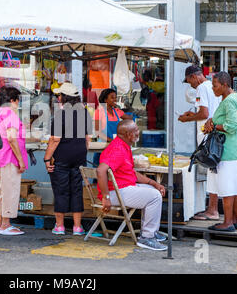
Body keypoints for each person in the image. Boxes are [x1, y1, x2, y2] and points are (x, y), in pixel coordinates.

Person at [97, 120, 167, 251]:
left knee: (153, 191)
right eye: (135, 130)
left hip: (122, 188)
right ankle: (146, 237)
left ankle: (151, 232)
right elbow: (100, 170)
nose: (138, 132)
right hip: (114, 193)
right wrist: (106, 197)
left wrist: (154, 183)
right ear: (128, 134)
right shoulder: (118, 149)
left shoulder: (123, 145)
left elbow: (131, 173)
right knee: (154, 196)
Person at [203, 71, 237, 232]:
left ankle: (227, 222)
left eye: (215, 86)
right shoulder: (236, 97)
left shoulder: (229, 101)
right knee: (235, 188)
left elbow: (231, 125)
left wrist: (213, 126)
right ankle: (234, 220)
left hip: (228, 151)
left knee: (228, 188)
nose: (213, 89)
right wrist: (212, 121)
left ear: (224, 85)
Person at [44, 82, 93, 235]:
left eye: (59, 95)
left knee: (61, 189)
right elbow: (88, 139)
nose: (58, 98)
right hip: (79, 157)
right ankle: (77, 227)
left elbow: (55, 140)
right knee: (77, 190)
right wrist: (80, 152)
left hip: (62, 157)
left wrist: (47, 158)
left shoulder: (60, 115)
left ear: (64, 98)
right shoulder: (85, 113)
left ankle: (60, 226)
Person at [178, 65, 221, 221]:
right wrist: (193, 114)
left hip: (207, 136)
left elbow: (204, 113)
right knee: (212, 171)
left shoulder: (202, 88)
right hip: (213, 134)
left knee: (212, 171)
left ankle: (212, 210)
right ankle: (210, 209)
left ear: (193, 77)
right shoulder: (211, 86)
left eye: (189, 81)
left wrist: (187, 118)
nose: (190, 85)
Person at [0, 86, 28, 235]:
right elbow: (12, 138)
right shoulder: (11, 114)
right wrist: (20, 160)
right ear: (13, 100)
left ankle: (1, 222)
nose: (18, 104)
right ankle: (6, 224)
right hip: (9, 158)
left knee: (2, 189)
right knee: (10, 190)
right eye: (18, 101)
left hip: (0, 157)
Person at [93, 88, 131, 167]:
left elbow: (129, 119)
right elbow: (98, 132)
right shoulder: (99, 112)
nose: (115, 99)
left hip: (115, 149)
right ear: (105, 100)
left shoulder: (117, 111)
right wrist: (112, 140)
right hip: (102, 148)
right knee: (100, 175)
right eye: (112, 97)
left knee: (113, 174)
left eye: (115, 97)